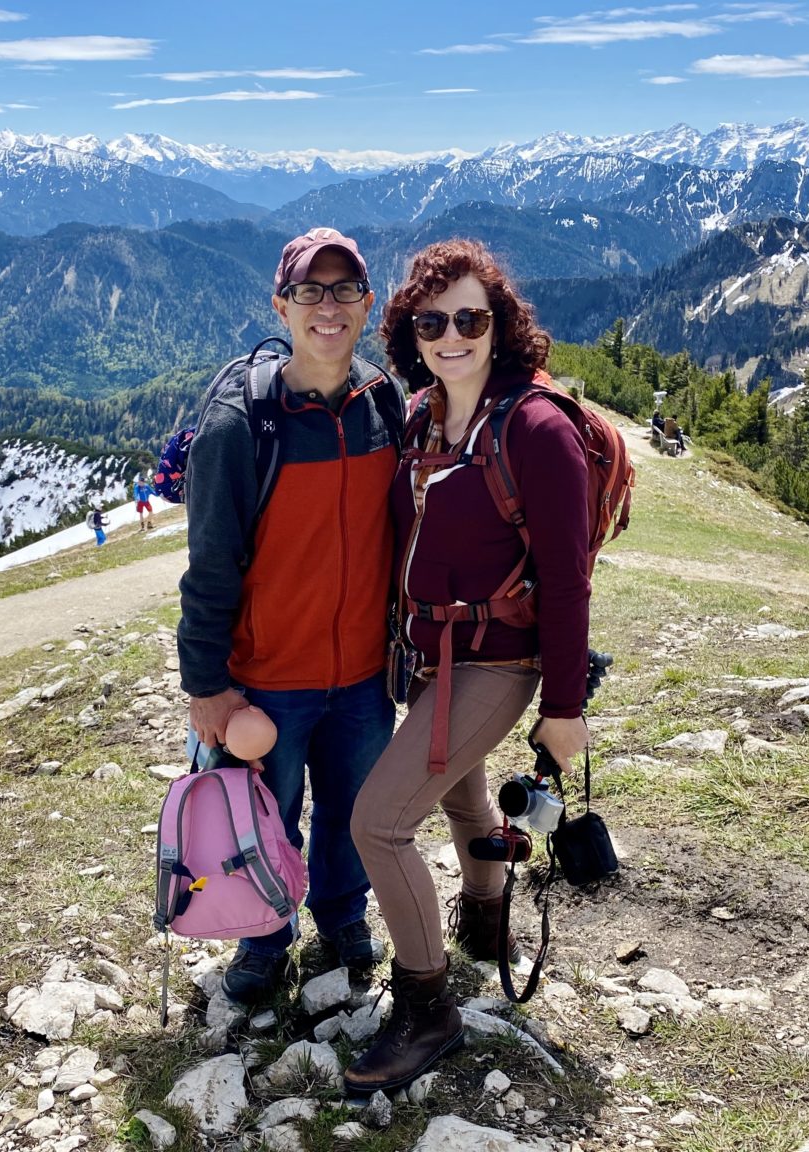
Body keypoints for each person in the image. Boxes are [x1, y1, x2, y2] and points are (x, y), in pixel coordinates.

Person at [345, 239, 592, 1093]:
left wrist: (564, 707)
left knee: (377, 824)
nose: (451, 335)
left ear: (499, 325)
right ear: (410, 332)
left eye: (470, 319)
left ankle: (426, 1008)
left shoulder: (535, 427)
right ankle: (486, 925)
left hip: (500, 660)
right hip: (432, 655)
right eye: (431, 321)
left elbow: (567, 579)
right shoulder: (422, 415)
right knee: (461, 794)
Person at [177, 226, 405, 1003]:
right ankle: (264, 937)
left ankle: (342, 918)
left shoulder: (384, 403)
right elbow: (208, 564)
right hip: (267, 680)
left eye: (345, 290)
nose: (328, 307)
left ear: (367, 304)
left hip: (364, 677)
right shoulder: (243, 420)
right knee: (261, 819)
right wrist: (206, 685)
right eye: (310, 291)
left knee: (351, 814)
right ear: (282, 303)